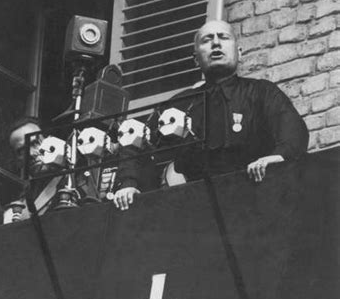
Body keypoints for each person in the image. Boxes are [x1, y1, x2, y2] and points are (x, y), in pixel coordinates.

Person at [113, 19, 308, 210]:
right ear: (196, 59)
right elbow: (134, 136)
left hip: (254, 197)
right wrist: (129, 183)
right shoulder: (180, 104)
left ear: (239, 53)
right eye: (207, 40)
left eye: (223, 37)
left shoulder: (261, 92)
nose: (215, 42)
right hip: (196, 208)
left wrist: (277, 157)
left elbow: (292, 129)